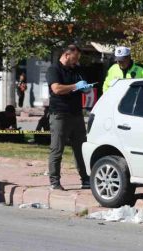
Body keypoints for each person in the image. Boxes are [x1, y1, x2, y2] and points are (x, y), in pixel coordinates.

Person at [46, 44, 92, 191]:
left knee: (81, 148)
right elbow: (57, 89)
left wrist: (86, 88)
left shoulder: (77, 70)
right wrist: (74, 86)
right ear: (66, 55)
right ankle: (54, 181)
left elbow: (83, 85)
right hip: (60, 114)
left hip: (76, 114)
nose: (77, 61)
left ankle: (85, 179)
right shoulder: (54, 69)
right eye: (75, 57)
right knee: (57, 148)